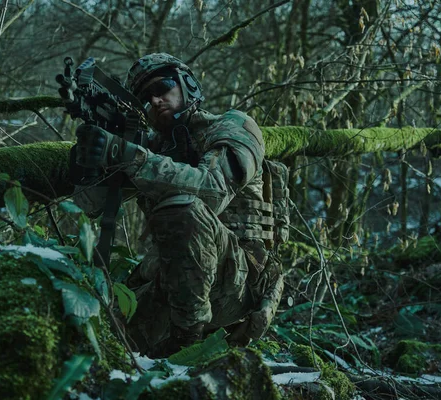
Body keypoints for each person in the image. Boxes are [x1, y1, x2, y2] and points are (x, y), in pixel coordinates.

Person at [73, 53, 284, 357]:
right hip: (172, 283)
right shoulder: (154, 148)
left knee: (183, 207)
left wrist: (129, 155)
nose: (155, 100)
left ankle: (187, 350)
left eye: (162, 88)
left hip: (237, 284)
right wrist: (92, 159)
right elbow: (92, 205)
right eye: (146, 98)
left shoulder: (234, 126)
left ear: (187, 85)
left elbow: (211, 191)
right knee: (94, 339)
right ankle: (175, 344)